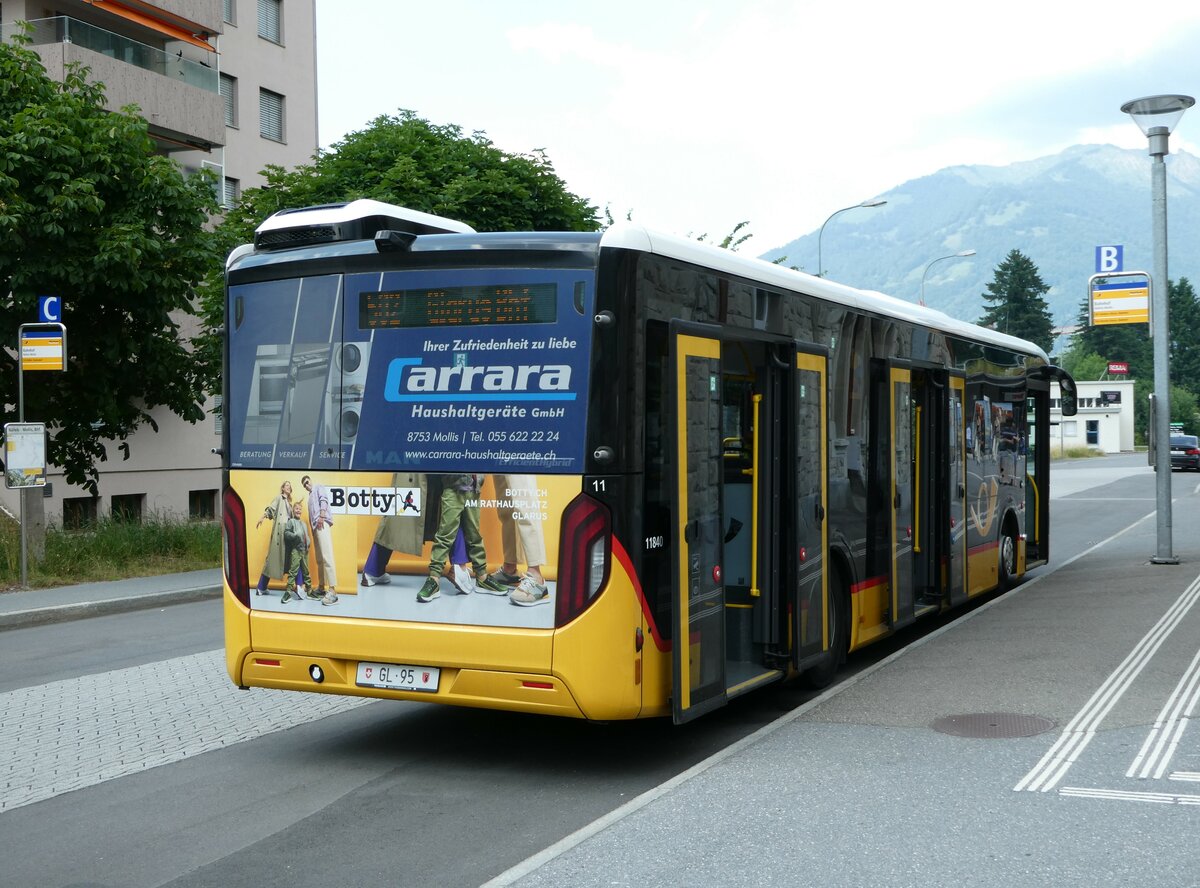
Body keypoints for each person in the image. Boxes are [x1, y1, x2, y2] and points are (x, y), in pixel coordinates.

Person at [417, 473, 504, 603]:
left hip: (474, 489)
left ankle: (482, 577)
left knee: (474, 535)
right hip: (452, 486)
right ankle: (434, 579)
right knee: (444, 535)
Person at [488, 473, 550, 606]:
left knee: (525, 504)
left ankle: (537, 578)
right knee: (505, 508)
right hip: (496, 452)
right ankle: (509, 569)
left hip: (521, 452)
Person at [253, 480, 303, 595]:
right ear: (282, 488)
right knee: (272, 560)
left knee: (294, 558)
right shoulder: (279, 498)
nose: (288, 487)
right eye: (286, 486)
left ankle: (299, 587)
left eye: (290, 486)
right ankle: (261, 587)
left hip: (288, 536)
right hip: (280, 536)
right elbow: (271, 509)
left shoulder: (290, 504)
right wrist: (262, 517)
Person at [301, 475, 339, 605]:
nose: (306, 485)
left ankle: (333, 591)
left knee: (327, 556)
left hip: (322, 523)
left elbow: (324, 499)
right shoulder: (309, 497)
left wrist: (322, 515)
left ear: (310, 480)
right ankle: (322, 587)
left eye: (307, 482)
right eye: (304, 485)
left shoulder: (318, 487)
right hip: (315, 528)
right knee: (319, 559)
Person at [281, 502, 309, 603]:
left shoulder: (304, 524)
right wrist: (295, 535)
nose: (298, 510)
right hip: (296, 550)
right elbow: (286, 533)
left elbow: (306, 536)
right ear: (293, 510)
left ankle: (309, 591)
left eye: (300, 509)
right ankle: (288, 592)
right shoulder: (291, 522)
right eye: (296, 509)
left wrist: (308, 543)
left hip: (304, 551)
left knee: (306, 572)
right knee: (293, 571)